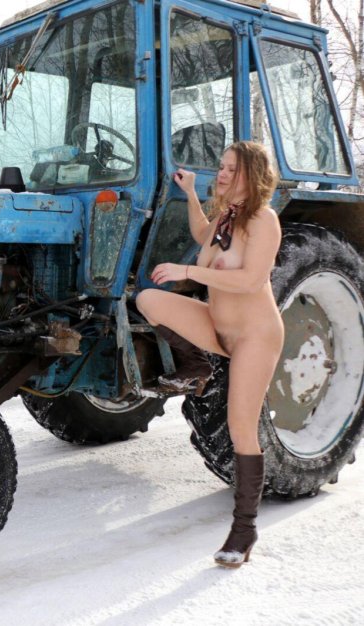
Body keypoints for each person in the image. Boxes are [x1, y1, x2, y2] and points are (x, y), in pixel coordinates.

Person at [136, 141, 284, 568]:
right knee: (149, 299)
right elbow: (204, 236)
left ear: (251, 174)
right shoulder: (224, 219)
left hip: (255, 337)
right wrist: (189, 192)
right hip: (218, 328)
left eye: (230, 168)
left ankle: (244, 530)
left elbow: (251, 280)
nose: (222, 174)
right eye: (220, 167)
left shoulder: (263, 220)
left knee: (241, 429)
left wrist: (187, 271)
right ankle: (197, 365)